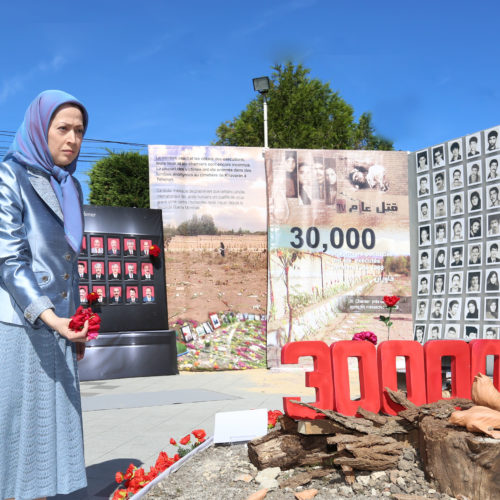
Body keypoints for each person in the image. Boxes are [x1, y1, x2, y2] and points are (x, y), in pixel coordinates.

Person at [0, 90, 89, 498]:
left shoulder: (72, 186)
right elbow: (9, 261)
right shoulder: (9, 175)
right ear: (40, 129)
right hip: (23, 322)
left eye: (80, 131)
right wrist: (52, 316)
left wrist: (75, 320)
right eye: (63, 128)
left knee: (55, 427)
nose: (72, 139)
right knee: (22, 427)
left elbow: (68, 262)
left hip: (61, 323)